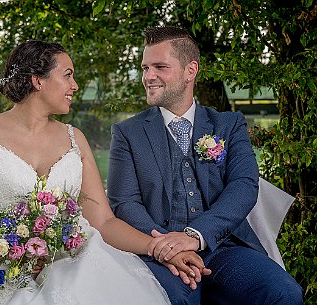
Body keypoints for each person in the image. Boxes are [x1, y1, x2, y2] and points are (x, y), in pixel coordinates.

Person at [0, 40, 207, 305]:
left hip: (74, 262)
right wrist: (3, 258)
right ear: (37, 80)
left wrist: (162, 248)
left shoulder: (76, 139)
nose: (75, 85)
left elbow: (104, 222)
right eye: (68, 75)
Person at [107, 26, 303, 305]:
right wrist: (167, 247)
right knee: (176, 299)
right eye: (145, 67)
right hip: (161, 253)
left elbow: (244, 186)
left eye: (160, 67)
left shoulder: (228, 124)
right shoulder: (128, 132)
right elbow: (124, 203)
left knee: (285, 293)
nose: (148, 77)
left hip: (223, 246)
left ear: (191, 71)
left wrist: (196, 236)